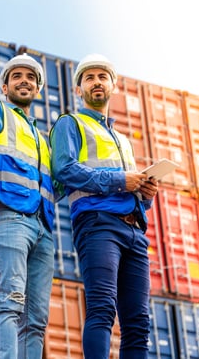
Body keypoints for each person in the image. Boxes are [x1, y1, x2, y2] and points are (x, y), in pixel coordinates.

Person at [0, 0, 60, 359]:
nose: (25, 81)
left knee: (36, 320)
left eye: (31, 78)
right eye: (17, 76)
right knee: (9, 303)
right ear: (4, 87)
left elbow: (61, 185)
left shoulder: (46, 141)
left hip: (44, 230)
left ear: (37, 90)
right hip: (9, 219)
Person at [49, 53, 158, 358]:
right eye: (89, 78)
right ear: (78, 89)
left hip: (135, 232)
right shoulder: (69, 124)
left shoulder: (124, 140)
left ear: (113, 86)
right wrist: (120, 180)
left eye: (102, 77)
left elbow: (131, 190)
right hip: (98, 225)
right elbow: (64, 169)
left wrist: (146, 192)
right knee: (102, 308)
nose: (96, 82)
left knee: (138, 323)